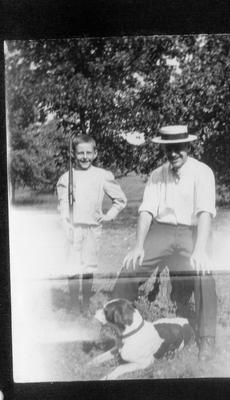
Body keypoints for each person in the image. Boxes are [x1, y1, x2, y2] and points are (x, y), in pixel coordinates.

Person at [111, 125, 218, 361]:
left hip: (193, 231)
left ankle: (207, 337)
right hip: (163, 230)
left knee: (204, 273)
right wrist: (138, 246)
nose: (173, 154)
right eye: (169, 149)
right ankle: (118, 327)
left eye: (178, 148)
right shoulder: (157, 174)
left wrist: (200, 250)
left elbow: (205, 213)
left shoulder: (203, 172)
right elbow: (147, 211)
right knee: (131, 266)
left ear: (187, 147)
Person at [56, 134, 127, 313]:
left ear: (95, 154)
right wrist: (66, 225)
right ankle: (73, 305)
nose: (85, 157)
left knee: (88, 266)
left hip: (92, 229)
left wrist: (109, 215)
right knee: (72, 267)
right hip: (73, 228)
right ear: (74, 154)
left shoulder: (102, 175)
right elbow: (63, 205)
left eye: (89, 153)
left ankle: (86, 304)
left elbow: (120, 199)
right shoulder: (66, 177)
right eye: (80, 153)